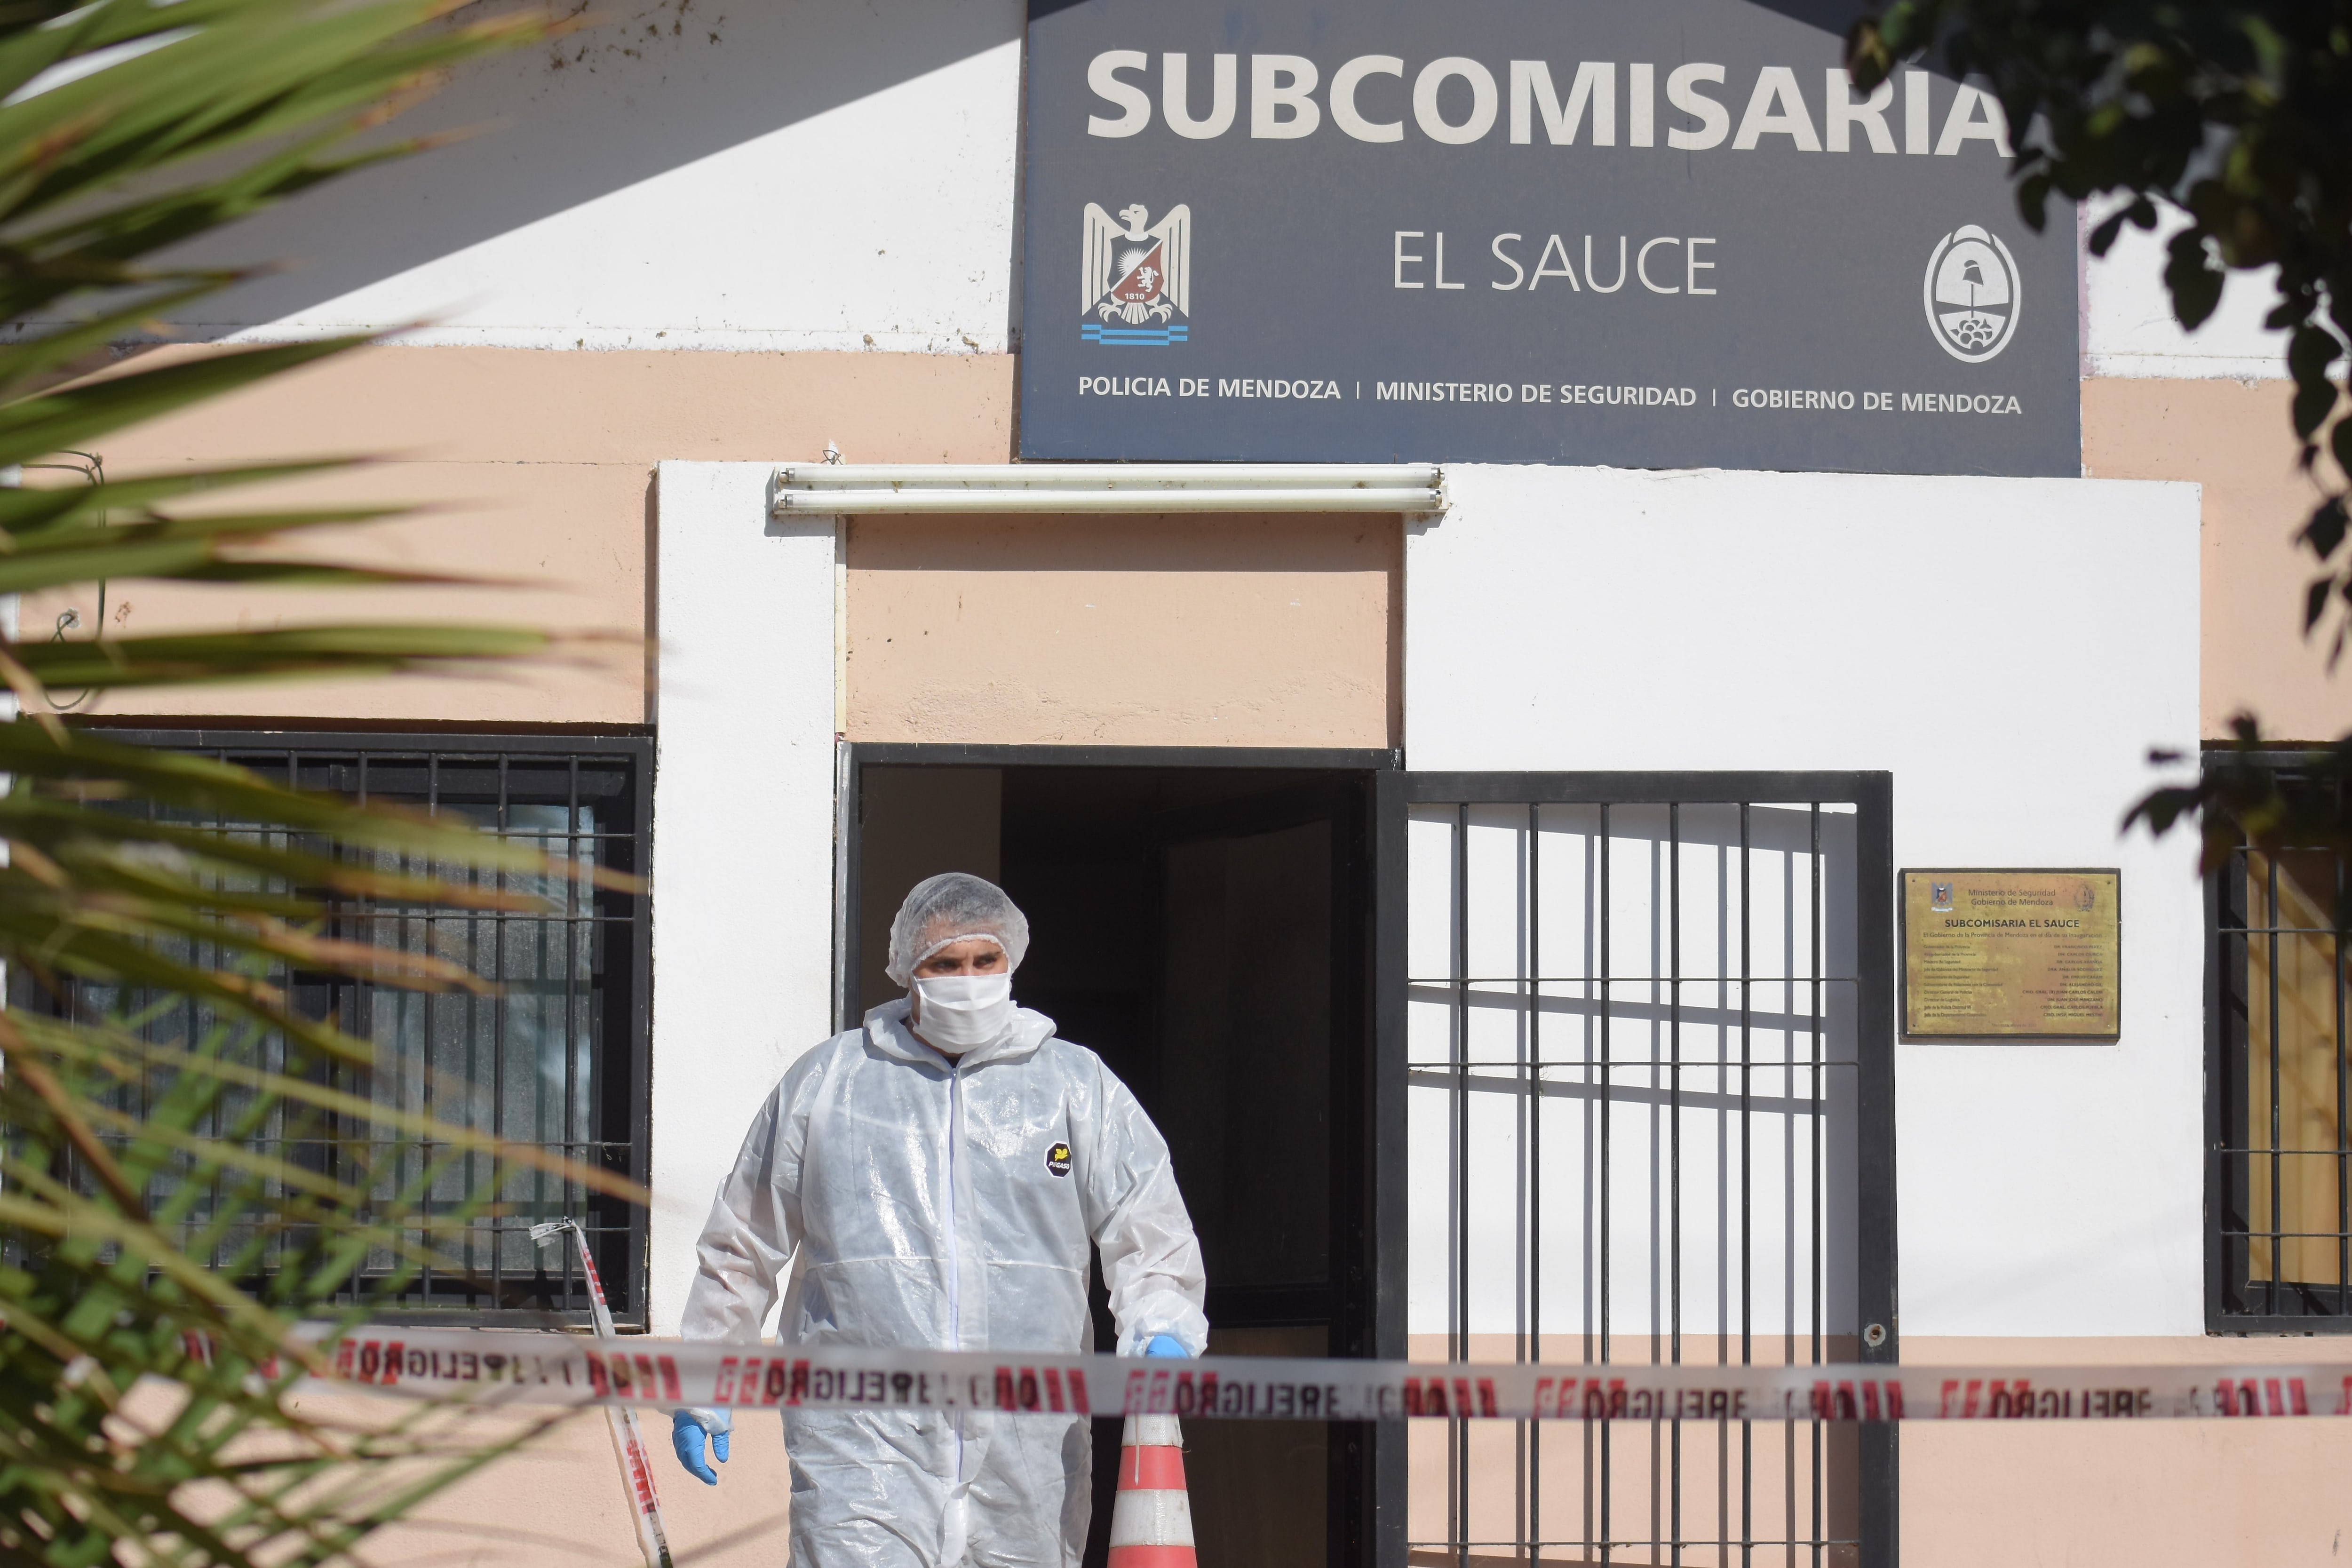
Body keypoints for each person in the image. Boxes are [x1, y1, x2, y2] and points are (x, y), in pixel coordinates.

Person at [669, 871, 1209, 1567]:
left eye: (986, 960)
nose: (969, 978)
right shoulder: (829, 1084)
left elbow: (1147, 1221)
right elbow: (744, 1240)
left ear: (1011, 961)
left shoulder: (1077, 1086)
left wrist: (1162, 1323)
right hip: (859, 1445)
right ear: (907, 972)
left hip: (1029, 1447)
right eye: (946, 963)